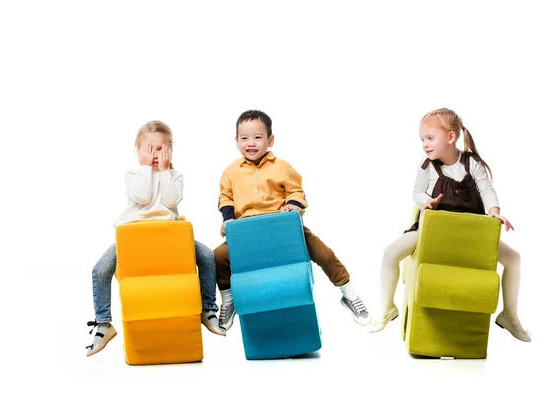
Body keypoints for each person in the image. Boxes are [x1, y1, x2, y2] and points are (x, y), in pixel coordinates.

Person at [368, 108, 531, 342]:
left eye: (430, 138)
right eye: (422, 139)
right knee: (390, 253)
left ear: (450, 137)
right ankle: (386, 307)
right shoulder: (427, 165)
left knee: (513, 258)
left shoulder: (471, 163)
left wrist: (495, 212)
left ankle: (510, 315)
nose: (424, 144)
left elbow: (486, 188)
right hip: (433, 233)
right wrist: (427, 201)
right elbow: (416, 192)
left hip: (470, 235)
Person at [214, 110, 371, 331]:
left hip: (283, 230)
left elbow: (296, 191)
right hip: (247, 234)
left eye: (258, 137)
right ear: (236, 141)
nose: (251, 143)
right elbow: (225, 197)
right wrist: (228, 219)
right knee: (218, 257)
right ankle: (229, 300)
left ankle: (349, 294)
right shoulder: (230, 172)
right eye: (244, 138)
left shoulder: (282, 167)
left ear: (270, 140)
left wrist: (294, 206)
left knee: (323, 252)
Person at [86, 120, 224, 357]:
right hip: (133, 236)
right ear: (137, 151)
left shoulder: (175, 176)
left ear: (170, 151)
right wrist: (145, 169)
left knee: (207, 257)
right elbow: (142, 196)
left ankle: (208, 309)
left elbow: (171, 201)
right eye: (147, 149)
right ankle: (103, 323)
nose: (153, 155)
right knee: (100, 270)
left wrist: (164, 170)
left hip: (169, 237)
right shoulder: (133, 175)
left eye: (159, 149)